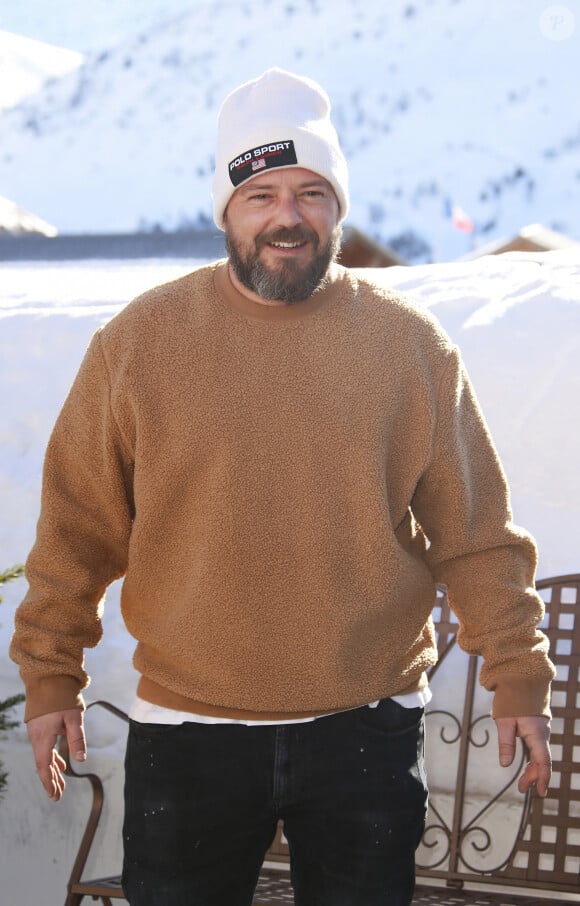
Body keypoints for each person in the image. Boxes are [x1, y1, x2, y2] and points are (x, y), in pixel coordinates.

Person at [10, 68, 554, 906]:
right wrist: (51, 675)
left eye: (310, 191)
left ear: (339, 206)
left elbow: (476, 531)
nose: (287, 216)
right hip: (187, 733)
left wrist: (517, 670)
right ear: (226, 209)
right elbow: (76, 528)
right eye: (260, 193)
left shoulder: (410, 348)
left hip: (364, 732)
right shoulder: (139, 344)